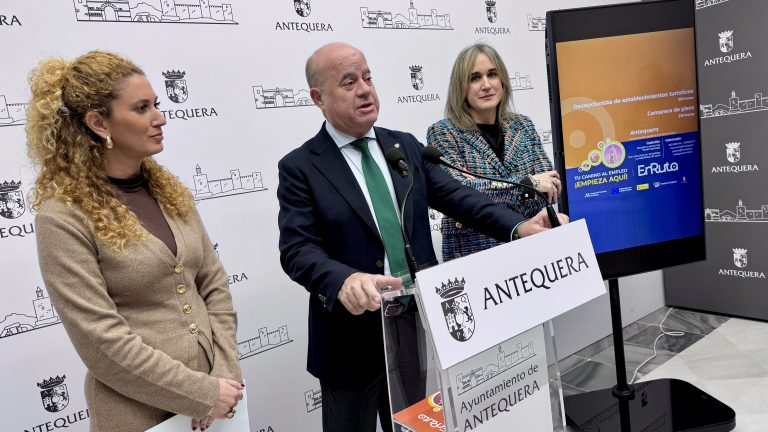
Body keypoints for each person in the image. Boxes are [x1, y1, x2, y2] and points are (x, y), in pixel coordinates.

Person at [277, 42, 567, 432]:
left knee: (418, 427)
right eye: (349, 82)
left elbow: (463, 201)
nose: (365, 89)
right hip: (349, 340)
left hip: (413, 325)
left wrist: (519, 227)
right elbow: (297, 249)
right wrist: (343, 280)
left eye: (368, 77)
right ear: (318, 98)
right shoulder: (300, 167)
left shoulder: (404, 148)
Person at [27, 51, 244, 432]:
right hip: (135, 415)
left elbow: (213, 283)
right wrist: (198, 392)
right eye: (142, 108)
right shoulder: (62, 216)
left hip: (216, 403)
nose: (160, 118)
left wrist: (222, 377)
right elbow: (101, 343)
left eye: (157, 105)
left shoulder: (168, 190)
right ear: (98, 123)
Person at [427, 43, 562, 261]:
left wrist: (486, 188)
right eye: (475, 78)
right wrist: (528, 185)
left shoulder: (523, 125)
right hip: (477, 257)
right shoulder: (444, 132)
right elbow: (459, 197)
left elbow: (551, 188)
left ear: (503, 80)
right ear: (460, 87)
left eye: (492, 74)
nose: (486, 85)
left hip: (532, 252)